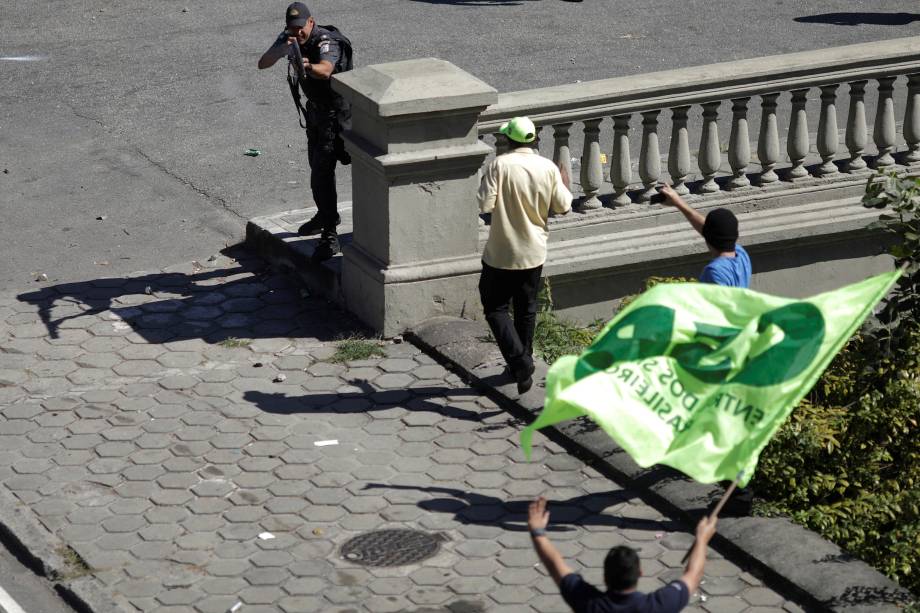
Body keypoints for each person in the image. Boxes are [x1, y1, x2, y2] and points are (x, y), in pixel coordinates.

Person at [478, 116, 573, 395]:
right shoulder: (547, 168)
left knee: (494, 306)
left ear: (508, 139)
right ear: (533, 139)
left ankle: (519, 363)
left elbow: (484, 204)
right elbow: (563, 206)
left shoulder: (499, 165)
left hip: (501, 251)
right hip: (534, 251)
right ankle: (524, 360)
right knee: (526, 307)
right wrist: (563, 181)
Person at [258, 2, 352, 262]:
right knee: (318, 169)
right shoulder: (288, 37)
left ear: (311, 22)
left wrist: (307, 66)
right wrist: (282, 49)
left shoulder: (326, 41)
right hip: (316, 114)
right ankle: (326, 217)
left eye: (301, 28)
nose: (297, 33)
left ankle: (331, 235)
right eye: (292, 28)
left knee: (326, 170)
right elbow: (262, 63)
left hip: (338, 114)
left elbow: (326, 70)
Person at [528, 496, 717, 612]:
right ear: (640, 573)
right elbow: (693, 574)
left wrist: (537, 532)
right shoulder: (659, 605)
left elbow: (554, 565)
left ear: (604, 576)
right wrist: (701, 540)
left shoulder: (589, 604)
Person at [658, 185, 751, 288]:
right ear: (736, 236)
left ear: (707, 239)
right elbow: (715, 232)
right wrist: (678, 202)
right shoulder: (741, 255)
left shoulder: (715, 272)